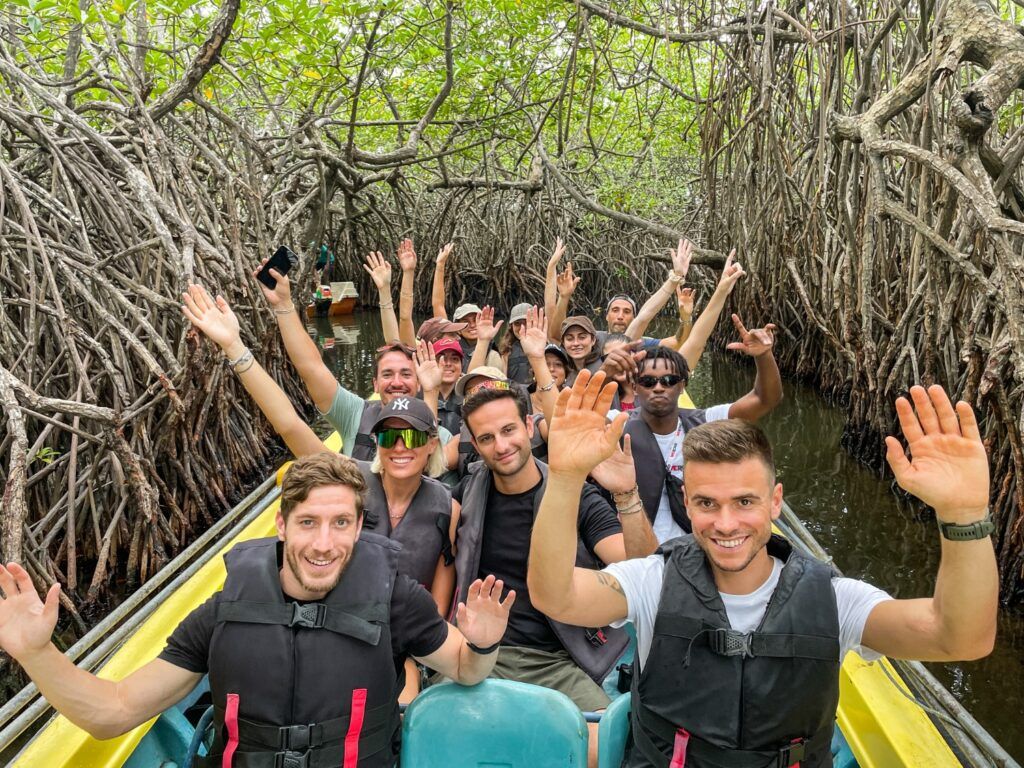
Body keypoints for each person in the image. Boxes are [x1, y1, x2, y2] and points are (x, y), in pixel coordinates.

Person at [529, 371, 997, 768]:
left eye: (745, 502)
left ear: (775, 501)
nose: (726, 524)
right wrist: (567, 477)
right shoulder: (653, 579)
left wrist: (964, 516)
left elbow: (959, 637)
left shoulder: (837, 600)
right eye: (707, 503)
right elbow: (557, 595)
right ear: (687, 505)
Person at [0, 452, 515, 767]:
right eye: (309, 522)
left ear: (359, 529)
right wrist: (37, 654)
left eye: (340, 524)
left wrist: (485, 642)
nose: (324, 543)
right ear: (282, 524)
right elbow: (112, 712)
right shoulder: (225, 609)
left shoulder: (396, 597)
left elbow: (468, 670)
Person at [452, 384, 659, 766]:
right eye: (486, 438)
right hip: (477, 652)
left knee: (604, 750)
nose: (501, 445)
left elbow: (645, 566)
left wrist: (627, 494)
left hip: (556, 660)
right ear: (475, 446)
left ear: (529, 425)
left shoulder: (578, 495)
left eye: (508, 430)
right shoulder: (466, 493)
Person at [250, 261, 455, 462]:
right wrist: (283, 305)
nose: (397, 382)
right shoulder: (355, 414)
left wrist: (432, 391)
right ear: (375, 384)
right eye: (387, 374)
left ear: (418, 382)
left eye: (406, 374)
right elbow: (311, 368)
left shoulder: (441, 437)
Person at [612, 315, 782, 543]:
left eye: (670, 380)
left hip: (698, 540)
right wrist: (604, 370)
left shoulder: (705, 421)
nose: (659, 388)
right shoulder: (617, 422)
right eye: (648, 382)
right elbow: (570, 423)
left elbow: (765, 399)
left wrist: (764, 356)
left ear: (682, 386)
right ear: (635, 388)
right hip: (639, 540)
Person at [499, 302, 535, 385]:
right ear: (511, 326)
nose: (522, 327)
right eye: (517, 323)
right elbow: (503, 381)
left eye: (526, 322)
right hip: (515, 394)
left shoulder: (545, 346)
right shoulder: (506, 351)